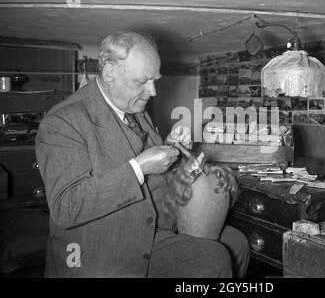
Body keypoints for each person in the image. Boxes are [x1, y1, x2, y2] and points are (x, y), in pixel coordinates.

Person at [35, 31, 249, 278]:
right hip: (103, 246)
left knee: (236, 243)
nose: (153, 91)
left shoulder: (134, 108)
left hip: (153, 225)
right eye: (143, 81)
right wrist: (138, 167)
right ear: (109, 73)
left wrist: (173, 153)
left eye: (155, 79)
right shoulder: (64, 122)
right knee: (214, 257)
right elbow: (66, 208)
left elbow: (154, 172)